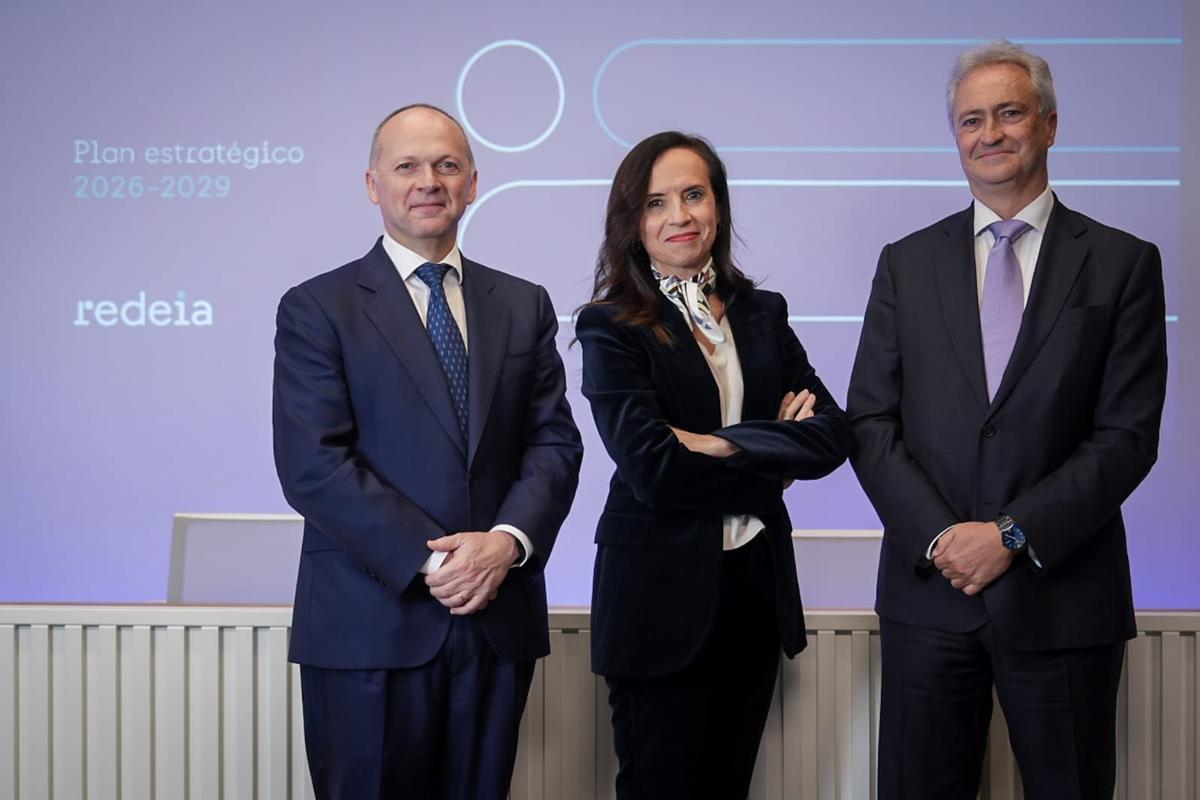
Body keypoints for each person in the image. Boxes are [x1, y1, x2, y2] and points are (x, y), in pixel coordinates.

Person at [847, 41, 1167, 799]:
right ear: (955, 136)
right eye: (970, 119)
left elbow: (1126, 438)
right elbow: (870, 422)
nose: (989, 133)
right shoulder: (905, 262)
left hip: (1064, 602)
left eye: (1009, 113)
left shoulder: (1123, 263)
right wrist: (942, 538)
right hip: (929, 600)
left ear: (1050, 125)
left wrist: (1012, 535)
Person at [272, 103, 583, 800]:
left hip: (495, 620)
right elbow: (314, 465)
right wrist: (438, 559)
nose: (428, 181)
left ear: (473, 184)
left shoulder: (524, 303)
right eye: (406, 165)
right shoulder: (317, 308)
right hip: (370, 627)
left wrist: (505, 543)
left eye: (447, 165)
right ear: (372, 184)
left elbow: (554, 441)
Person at [575, 131, 852, 799]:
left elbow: (831, 435)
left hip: (751, 596)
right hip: (657, 604)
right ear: (632, 223)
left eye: (694, 195)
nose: (680, 216)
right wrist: (770, 455)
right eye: (656, 202)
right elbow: (652, 468)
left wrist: (724, 441)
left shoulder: (762, 312)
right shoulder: (610, 327)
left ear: (719, 206)